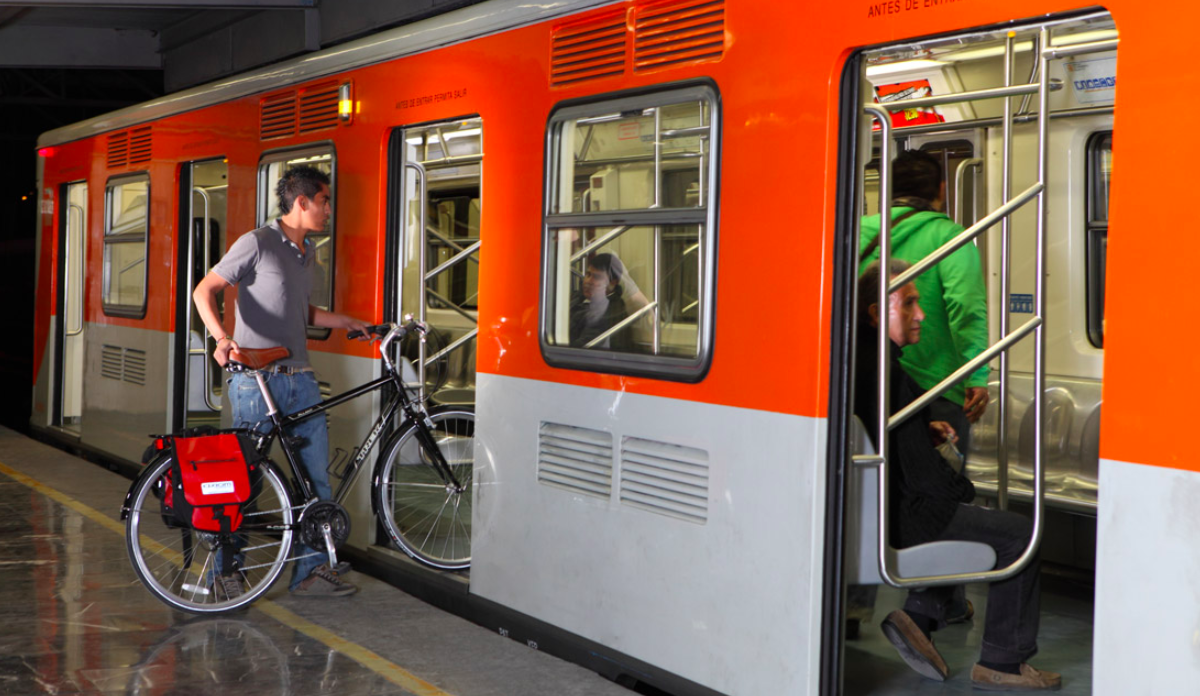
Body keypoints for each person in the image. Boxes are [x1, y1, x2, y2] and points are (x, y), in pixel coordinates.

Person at [854, 259, 1060, 692]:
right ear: (876, 313)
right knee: (1019, 535)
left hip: (883, 506)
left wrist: (920, 430)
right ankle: (1003, 660)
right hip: (905, 515)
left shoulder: (862, 360)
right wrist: (963, 490)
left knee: (969, 515)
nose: (921, 315)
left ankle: (921, 615)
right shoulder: (887, 373)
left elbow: (891, 435)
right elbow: (927, 484)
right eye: (908, 304)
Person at [193, 165, 369, 598]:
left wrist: (348, 322)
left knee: (316, 481)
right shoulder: (257, 242)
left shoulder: (307, 252)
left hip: (300, 378)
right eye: (324, 201)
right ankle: (226, 573)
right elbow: (204, 290)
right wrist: (222, 338)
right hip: (257, 381)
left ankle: (310, 572)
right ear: (302, 202)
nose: (328, 210)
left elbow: (299, 310)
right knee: (243, 480)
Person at [859, 149, 989, 455]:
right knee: (937, 475)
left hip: (870, 379)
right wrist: (976, 374)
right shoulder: (951, 237)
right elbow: (966, 308)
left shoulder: (859, 232)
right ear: (941, 189)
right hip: (937, 388)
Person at [569, 252, 634, 351]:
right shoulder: (577, 297)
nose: (588, 281)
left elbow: (583, 346)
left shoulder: (611, 311)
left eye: (597, 277)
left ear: (613, 282)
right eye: (588, 274)